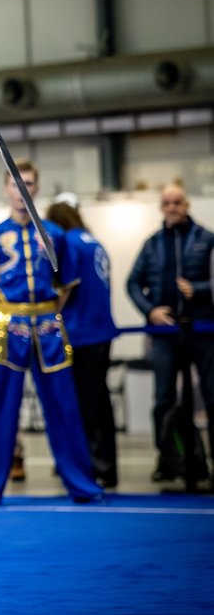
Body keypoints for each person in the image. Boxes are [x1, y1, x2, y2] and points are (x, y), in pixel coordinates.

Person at [0, 160, 102, 506]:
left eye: (28, 183)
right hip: (8, 329)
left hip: (48, 328)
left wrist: (51, 312)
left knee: (64, 407)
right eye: (15, 184)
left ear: (36, 188)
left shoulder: (55, 234)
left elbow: (67, 282)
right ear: (6, 189)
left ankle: (81, 484)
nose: (22, 190)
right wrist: (2, 313)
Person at [126, 184, 214, 482]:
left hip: (202, 330)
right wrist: (150, 310)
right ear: (161, 207)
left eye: (177, 202)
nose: (172, 207)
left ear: (186, 204)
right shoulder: (152, 244)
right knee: (163, 398)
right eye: (166, 203)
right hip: (164, 334)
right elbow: (132, 283)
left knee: (211, 396)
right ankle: (167, 459)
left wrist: (200, 289)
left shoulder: (206, 239)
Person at [46, 199, 120, 488]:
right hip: (101, 329)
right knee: (99, 401)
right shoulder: (93, 241)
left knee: (82, 402)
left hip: (81, 332)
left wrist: (49, 314)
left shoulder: (69, 243)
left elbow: (66, 286)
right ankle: (106, 464)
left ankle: (91, 464)